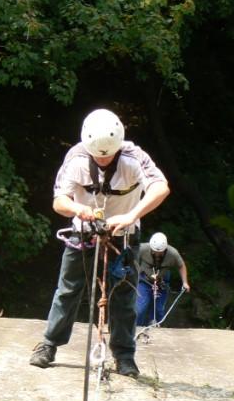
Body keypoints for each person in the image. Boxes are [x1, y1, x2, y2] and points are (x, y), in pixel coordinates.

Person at [29, 108, 170, 378]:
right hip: (83, 232)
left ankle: (124, 355)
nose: (103, 160)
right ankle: (49, 344)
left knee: (124, 297)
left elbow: (160, 187)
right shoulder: (76, 158)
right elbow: (59, 201)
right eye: (98, 156)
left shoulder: (134, 157)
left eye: (108, 156)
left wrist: (131, 215)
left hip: (125, 235)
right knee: (68, 291)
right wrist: (77, 209)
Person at [135, 232, 190, 326]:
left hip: (162, 281)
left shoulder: (173, 253)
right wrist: (138, 271)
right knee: (140, 308)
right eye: (154, 252)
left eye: (159, 253)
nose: (156, 254)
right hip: (144, 280)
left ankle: (156, 325)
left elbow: (181, 266)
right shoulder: (142, 248)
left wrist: (185, 282)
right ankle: (137, 328)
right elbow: (132, 259)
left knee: (159, 310)